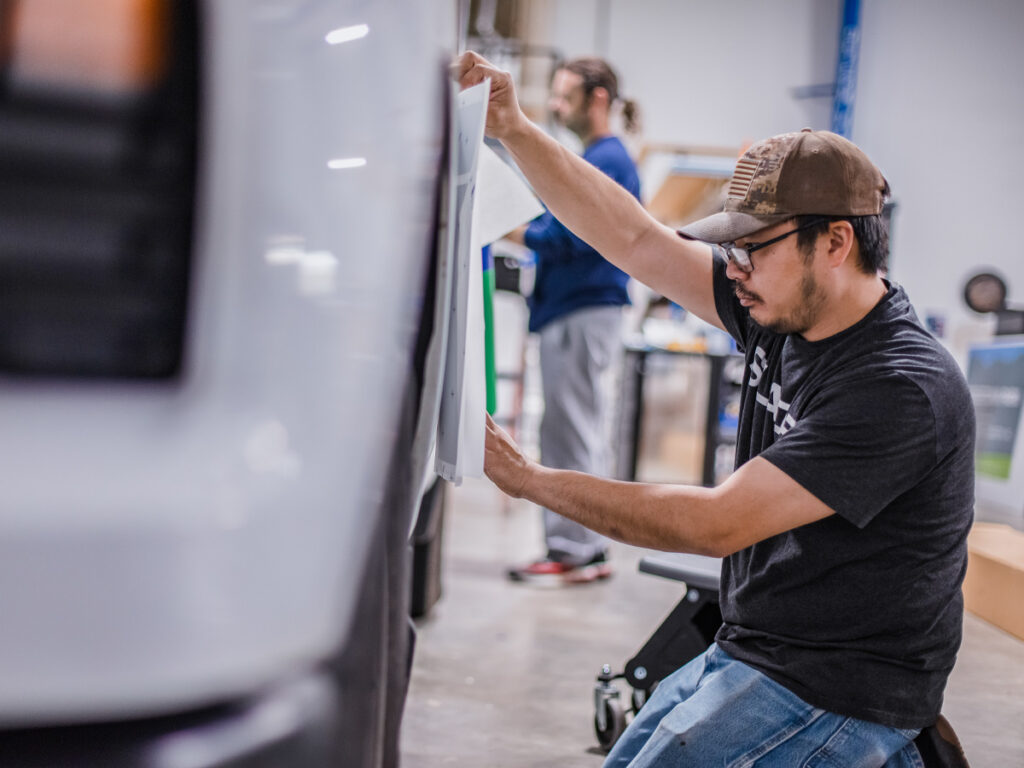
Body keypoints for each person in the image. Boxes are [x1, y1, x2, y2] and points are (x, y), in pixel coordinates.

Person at [455, 51, 974, 767]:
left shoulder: (899, 387)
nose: (734, 271)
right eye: (729, 251)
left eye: (752, 250)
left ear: (836, 241)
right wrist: (512, 126)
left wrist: (531, 480)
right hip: (758, 649)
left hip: (841, 690)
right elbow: (634, 238)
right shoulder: (780, 303)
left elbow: (714, 523)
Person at [503, 57, 641, 585]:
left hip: (582, 310)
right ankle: (582, 546)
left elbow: (578, 235)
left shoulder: (608, 159)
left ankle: (575, 550)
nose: (557, 107)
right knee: (570, 428)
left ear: (598, 98)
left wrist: (519, 232)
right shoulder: (597, 157)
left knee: (571, 431)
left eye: (565, 97)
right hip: (573, 311)